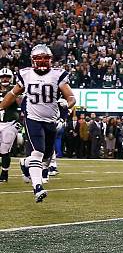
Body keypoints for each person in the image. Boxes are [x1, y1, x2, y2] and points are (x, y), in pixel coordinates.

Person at [0, 44, 76, 202]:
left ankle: (24, 163)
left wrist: (67, 104)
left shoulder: (58, 74)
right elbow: (13, 93)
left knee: (47, 157)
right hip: (32, 118)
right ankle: (37, 187)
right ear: (32, 60)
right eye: (38, 58)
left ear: (50, 60)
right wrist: (0, 107)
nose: (42, 61)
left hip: (51, 120)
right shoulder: (25, 74)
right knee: (38, 152)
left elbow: (71, 97)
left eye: (45, 58)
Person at [0, 68, 20, 182]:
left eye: (7, 76)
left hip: (10, 123)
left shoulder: (15, 89)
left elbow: (20, 103)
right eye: (2, 77)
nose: (4, 79)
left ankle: (4, 173)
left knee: (4, 149)